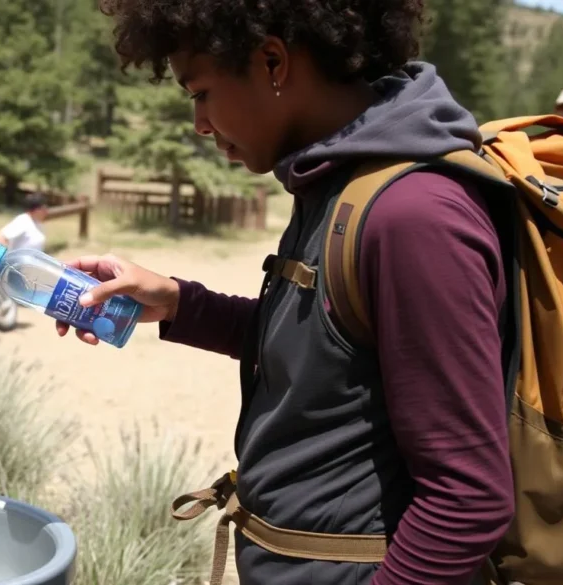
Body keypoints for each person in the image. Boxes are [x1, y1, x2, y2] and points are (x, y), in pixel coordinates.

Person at [56, 1, 516, 584]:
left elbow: (467, 502)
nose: (198, 123)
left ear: (272, 61)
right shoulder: (335, 179)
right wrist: (178, 302)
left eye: (199, 92)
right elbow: (326, 354)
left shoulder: (413, 218)